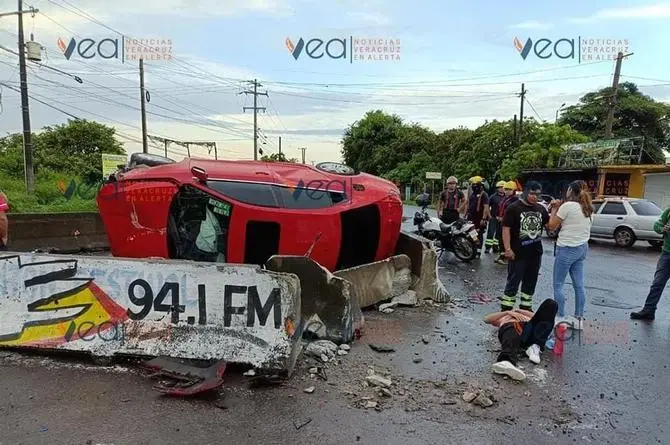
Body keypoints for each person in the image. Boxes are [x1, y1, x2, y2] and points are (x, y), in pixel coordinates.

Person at [546, 180, 594, 331]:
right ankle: (578, 318)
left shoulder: (567, 206)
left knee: (558, 284)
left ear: (571, 191)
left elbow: (552, 226)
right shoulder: (588, 208)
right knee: (579, 285)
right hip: (582, 248)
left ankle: (560, 317)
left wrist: (554, 208)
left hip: (567, 248)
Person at [500, 181, 549, 311]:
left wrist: (555, 209)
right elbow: (506, 229)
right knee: (513, 282)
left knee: (530, 282)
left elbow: (550, 227)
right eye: (532, 194)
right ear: (526, 192)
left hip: (535, 253)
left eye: (538, 194)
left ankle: (525, 308)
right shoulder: (514, 208)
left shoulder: (541, 209)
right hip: (518, 253)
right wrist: (507, 249)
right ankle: (506, 310)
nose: (535, 197)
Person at [484, 299, 558, 381]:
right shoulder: (505, 317)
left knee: (551, 304)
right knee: (514, 326)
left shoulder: (526, 316)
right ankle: (506, 361)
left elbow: (541, 316)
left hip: (528, 332)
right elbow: (486, 319)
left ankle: (535, 347)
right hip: (511, 329)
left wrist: (519, 311)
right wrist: (508, 312)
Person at [630, 205, 670, 321]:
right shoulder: (668, 212)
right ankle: (649, 310)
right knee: (657, 283)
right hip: (667, 253)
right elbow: (657, 225)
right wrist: (662, 228)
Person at [495, 181, 519, 265]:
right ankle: (502, 255)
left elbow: (513, 212)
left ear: (514, 190)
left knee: (507, 240)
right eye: (506, 189)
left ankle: (505, 257)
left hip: (509, 224)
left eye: (509, 189)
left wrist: (504, 218)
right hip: (501, 222)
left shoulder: (515, 200)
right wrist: (498, 215)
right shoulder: (505, 198)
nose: (507, 191)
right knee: (500, 239)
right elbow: (500, 208)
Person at [466, 176, 491, 258]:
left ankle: (478, 251)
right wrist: (466, 213)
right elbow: (469, 204)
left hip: (479, 218)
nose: (473, 186)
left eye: (474, 184)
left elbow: (486, 207)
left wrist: (484, 218)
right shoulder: (473, 194)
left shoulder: (484, 195)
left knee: (479, 233)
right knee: (472, 233)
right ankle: (473, 248)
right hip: (471, 217)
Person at [484, 180, 506, 254]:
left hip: (503, 219)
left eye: (503, 187)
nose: (501, 189)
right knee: (490, 233)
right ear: (497, 188)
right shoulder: (493, 197)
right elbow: (487, 207)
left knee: (499, 234)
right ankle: (487, 247)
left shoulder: (507, 197)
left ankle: (495, 247)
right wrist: (489, 216)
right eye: (500, 187)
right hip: (493, 217)